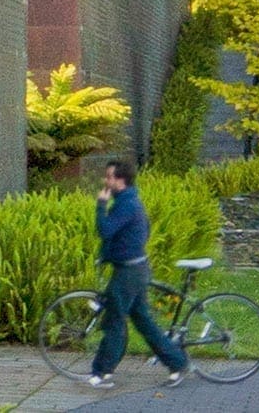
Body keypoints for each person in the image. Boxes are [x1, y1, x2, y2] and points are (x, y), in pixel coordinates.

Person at [87, 160, 189, 388]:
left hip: (128, 272)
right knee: (143, 321)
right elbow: (143, 230)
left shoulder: (126, 205)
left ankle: (101, 373)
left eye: (109, 177)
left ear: (121, 180)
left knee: (114, 321)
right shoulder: (130, 201)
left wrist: (101, 205)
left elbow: (105, 230)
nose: (106, 181)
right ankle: (177, 363)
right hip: (135, 268)